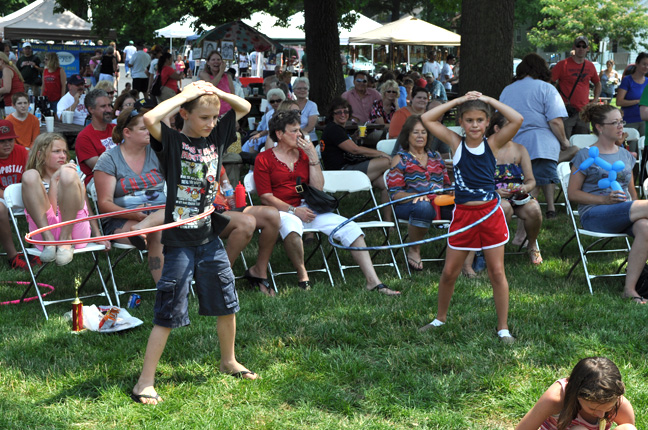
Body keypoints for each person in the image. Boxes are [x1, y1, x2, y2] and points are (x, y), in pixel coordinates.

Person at [130, 81, 257, 406]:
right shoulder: (172, 141)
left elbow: (244, 108)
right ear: (185, 114)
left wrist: (217, 92)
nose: (211, 123)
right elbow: (149, 120)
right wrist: (185, 95)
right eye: (204, 117)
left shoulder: (215, 137)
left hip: (208, 236)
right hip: (180, 241)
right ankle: (145, 381)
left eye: (214, 117)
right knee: (168, 309)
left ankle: (228, 360)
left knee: (226, 302)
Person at [254, 110, 400, 295]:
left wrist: (313, 158)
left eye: (300, 130)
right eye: (294, 131)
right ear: (279, 134)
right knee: (291, 226)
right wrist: (293, 210)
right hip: (280, 211)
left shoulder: (304, 155)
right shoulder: (264, 158)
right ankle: (303, 276)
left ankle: (373, 281)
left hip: (308, 207)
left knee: (351, 228)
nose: (300, 135)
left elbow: (318, 187)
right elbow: (266, 196)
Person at [418, 91, 523, 343]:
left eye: (479, 120)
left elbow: (517, 119)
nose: (474, 125)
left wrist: (488, 100)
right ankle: (439, 319)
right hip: (464, 215)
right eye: (468, 120)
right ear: (461, 123)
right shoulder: (456, 143)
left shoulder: (493, 144)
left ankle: (503, 328)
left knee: (497, 272)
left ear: (487, 123)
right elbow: (427, 118)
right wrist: (456, 102)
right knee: (449, 272)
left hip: (489, 214)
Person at [569, 103, 648, 303]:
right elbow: (572, 193)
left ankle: (630, 289)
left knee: (645, 228)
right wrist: (603, 199)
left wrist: (638, 210)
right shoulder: (585, 155)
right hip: (595, 215)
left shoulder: (624, 155)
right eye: (614, 123)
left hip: (624, 212)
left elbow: (632, 193)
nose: (621, 126)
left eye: (621, 121)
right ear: (599, 127)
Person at [93, 107, 165, 282]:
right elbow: (104, 203)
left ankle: (169, 287)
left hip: (159, 214)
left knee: (164, 226)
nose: (150, 132)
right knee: (157, 232)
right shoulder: (109, 159)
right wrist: (136, 214)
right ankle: (165, 289)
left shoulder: (157, 153)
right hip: (122, 218)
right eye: (143, 128)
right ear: (127, 132)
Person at [500, 53, 575, 220]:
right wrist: (564, 141)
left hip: (515, 144)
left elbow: (502, 118)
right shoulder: (547, 88)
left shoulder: (508, 90)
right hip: (541, 144)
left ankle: (523, 219)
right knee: (532, 188)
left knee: (526, 183)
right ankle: (527, 230)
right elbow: (555, 121)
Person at [21, 133, 109, 266]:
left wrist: (97, 234)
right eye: (56, 151)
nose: (63, 156)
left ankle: (65, 239)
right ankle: (49, 240)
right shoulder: (35, 182)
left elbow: (85, 207)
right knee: (29, 175)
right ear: (40, 155)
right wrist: (53, 180)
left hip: (74, 230)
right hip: (44, 231)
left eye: (64, 151)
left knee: (68, 173)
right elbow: (52, 210)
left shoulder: (73, 175)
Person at [386, 115, 452, 271]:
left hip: (438, 203)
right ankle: (414, 249)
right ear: (407, 135)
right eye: (416, 132)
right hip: (408, 204)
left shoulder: (436, 157)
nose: (420, 136)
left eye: (424, 132)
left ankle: (461, 256)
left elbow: (447, 185)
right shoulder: (400, 159)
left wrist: (452, 195)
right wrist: (416, 196)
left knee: (465, 208)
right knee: (422, 205)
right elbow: (395, 194)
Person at [515, 357, 637, 430]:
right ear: (576, 394)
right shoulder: (555, 399)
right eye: (593, 408)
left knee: (628, 428)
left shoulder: (619, 404)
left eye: (608, 408)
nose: (601, 415)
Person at [320, 97, 392, 220]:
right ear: (332, 114)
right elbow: (354, 150)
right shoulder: (333, 129)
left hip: (345, 170)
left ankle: (388, 222)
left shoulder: (337, 129)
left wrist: (353, 138)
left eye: (346, 111)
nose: (343, 114)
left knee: (384, 183)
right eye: (339, 112)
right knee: (388, 161)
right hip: (341, 174)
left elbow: (344, 148)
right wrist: (380, 153)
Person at [488, 112, 543, 264]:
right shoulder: (485, 148)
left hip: (518, 196)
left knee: (534, 209)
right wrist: (494, 192)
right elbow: (476, 181)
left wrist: (525, 188)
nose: (513, 131)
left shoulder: (520, 149)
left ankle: (531, 245)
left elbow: (531, 180)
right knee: (504, 207)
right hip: (492, 195)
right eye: (509, 127)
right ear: (497, 129)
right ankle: (496, 249)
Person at [0, 119, 36, 270]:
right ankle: (12, 256)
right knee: (0, 209)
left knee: (37, 197)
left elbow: (32, 175)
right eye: (2, 142)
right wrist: (8, 197)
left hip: (19, 192)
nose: (7, 144)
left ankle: (36, 247)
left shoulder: (22, 152)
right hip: (2, 196)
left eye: (10, 140)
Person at [552, 36, 601, 138]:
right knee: (564, 143)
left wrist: (595, 100)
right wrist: (556, 101)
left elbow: (597, 83)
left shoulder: (590, 66)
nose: (581, 49)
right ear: (574, 47)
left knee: (583, 143)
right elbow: (548, 83)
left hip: (583, 112)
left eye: (584, 46)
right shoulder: (562, 65)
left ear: (587, 48)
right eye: (578, 46)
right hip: (566, 111)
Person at [75, 89, 116, 184]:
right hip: (98, 180)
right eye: (103, 106)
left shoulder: (116, 129)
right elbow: (101, 167)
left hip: (122, 174)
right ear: (91, 109)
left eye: (110, 105)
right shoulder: (84, 137)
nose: (109, 110)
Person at [241, 88, 285, 153]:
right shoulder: (270, 113)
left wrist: (259, 134)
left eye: (278, 100)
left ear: (283, 100)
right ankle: (250, 159)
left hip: (279, 138)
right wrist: (258, 135)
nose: (275, 103)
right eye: (272, 101)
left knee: (255, 141)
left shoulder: (285, 113)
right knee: (252, 141)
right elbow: (267, 129)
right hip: (269, 136)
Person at [616, 52, 648, 138]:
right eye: (644, 64)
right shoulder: (627, 80)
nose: (646, 67)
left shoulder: (647, 81)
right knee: (631, 149)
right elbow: (619, 102)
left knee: (643, 148)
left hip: (645, 121)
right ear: (637, 64)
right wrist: (638, 101)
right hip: (630, 120)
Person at [199, 50, 235, 116]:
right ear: (208, 63)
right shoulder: (203, 74)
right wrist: (221, 72)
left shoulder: (227, 76)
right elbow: (211, 86)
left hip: (228, 113)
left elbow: (233, 96)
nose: (216, 62)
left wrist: (235, 117)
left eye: (218, 60)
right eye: (213, 60)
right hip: (212, 114)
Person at [292, 77, 319, 142]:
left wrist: (297, 135)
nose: (302, 90)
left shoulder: (312, 105)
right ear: (294, 91)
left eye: (305, 88)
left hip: (308, 139)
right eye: (299, 88)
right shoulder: (290, 105)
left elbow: (311, 126)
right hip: (292, 138)